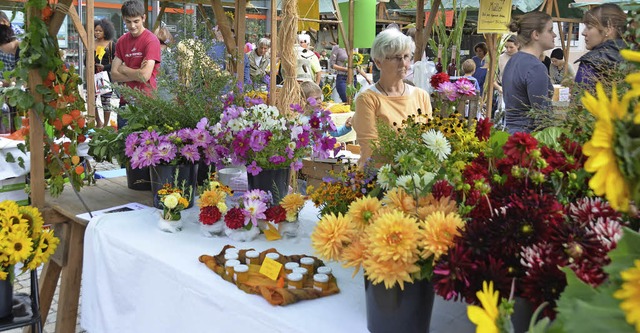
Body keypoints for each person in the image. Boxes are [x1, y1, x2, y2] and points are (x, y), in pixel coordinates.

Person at [352, 28, 432, 166]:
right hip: (380, 179)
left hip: (416, 179)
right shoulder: (367, 100)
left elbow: (429, 140)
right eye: (395, 58)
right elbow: (371, 150)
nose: (403, 63)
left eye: (406, 57)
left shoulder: (421, 96)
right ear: (378, 62)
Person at [110, 0, 162, 129]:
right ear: (124, 19)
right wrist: (137, 73)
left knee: (145, 145)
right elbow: (114, 75)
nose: (132, 26)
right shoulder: (122, 41)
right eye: (128, 21)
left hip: (146, 102)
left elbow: (144, 76)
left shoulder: (151, 40)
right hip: (125, 102)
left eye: (136, 21)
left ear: (143, 18)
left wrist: (124, 69)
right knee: (124, 144)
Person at [502, 11, 555, 134]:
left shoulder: (512, 61)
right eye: (550, 30)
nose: (555, 35)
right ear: (536, 34)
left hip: (510, 134)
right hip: (528, 139)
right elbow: (542, 115)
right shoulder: (535, 67)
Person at [574, 4, 626, 89]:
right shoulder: (634, 59)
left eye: (589, 27)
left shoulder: (591, 62)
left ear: (608, 29)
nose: (583, 33)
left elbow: (579, 100)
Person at [94, 18, 117, 128]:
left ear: (106, 31)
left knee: (106, 102)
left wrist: (104, 67)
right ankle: (98, 122)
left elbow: (116, 62)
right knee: (92, 100)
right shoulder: (91, 44)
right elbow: (85, 60)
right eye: (96, 30)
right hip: (93, 76)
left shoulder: (111, 45)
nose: (97, 33)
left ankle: (106, 125)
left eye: (100, 31)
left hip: (106, 77)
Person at [0, 24, 19, 132]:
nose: (1, 50)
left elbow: (20, 79)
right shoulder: (17, 51)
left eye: (1, 46)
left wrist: (3, 83)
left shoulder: (22, 51)